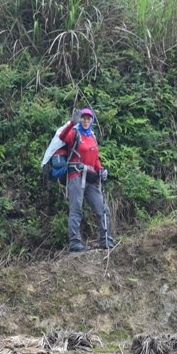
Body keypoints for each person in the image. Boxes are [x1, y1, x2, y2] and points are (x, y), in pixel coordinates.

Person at [59, 107, 114, 252]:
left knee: (102, 208)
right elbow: (62, 137)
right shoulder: (74, 133)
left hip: (91, 178)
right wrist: (72, 122)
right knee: (76, 209)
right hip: (76, 176)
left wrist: (101, 169)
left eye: (88, 118)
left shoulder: (92, 136)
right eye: (83, 118)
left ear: (92, 120)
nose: (85, 120)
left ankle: (106, 240)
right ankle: (75, 243)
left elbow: (95, 160)